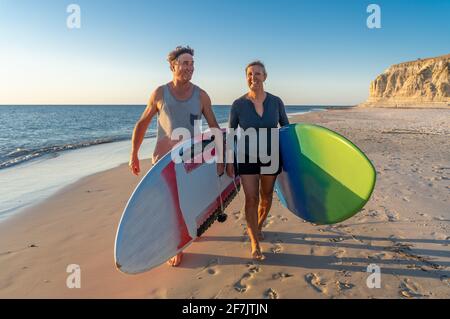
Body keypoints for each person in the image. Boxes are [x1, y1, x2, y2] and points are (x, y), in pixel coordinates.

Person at [129, 46, 224, 267]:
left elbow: (214, 127)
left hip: (193, 160)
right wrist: (133, 153)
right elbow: (142, 124)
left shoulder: (201, 95)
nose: (190, 67)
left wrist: (222, 156)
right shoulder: (160, 93)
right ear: (173, 66)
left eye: (192, 63)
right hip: (164, 161)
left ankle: (190, 232)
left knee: (191, 200)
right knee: (169, 205)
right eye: (185, 63)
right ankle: (176, 245)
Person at [226, 60, 289, 260]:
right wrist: (229, 160)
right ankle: (255, 242)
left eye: (258, 74)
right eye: (250, 74)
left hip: (271, 156)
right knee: (251, 198)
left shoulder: (276, 102)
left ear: (265, 76)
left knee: (267, 196)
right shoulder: (238, 104)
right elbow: (229, 134)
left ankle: (259, 225)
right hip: (246, 157)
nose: (254, 77)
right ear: (247, 78)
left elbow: (286, 129)